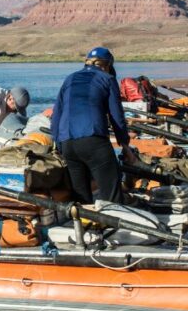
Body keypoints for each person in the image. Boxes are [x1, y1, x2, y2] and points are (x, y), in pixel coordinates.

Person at [51, 47, 136, 205]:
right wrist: (125, 145)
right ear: (108, 65)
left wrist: (58, 144)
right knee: (111, 195)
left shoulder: (70, 79)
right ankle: (114, 225)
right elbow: (116, 116)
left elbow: (56, 115)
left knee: (81, 198)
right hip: (93, 141)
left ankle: (86, 227)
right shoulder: (107, 79)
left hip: (67, 144)